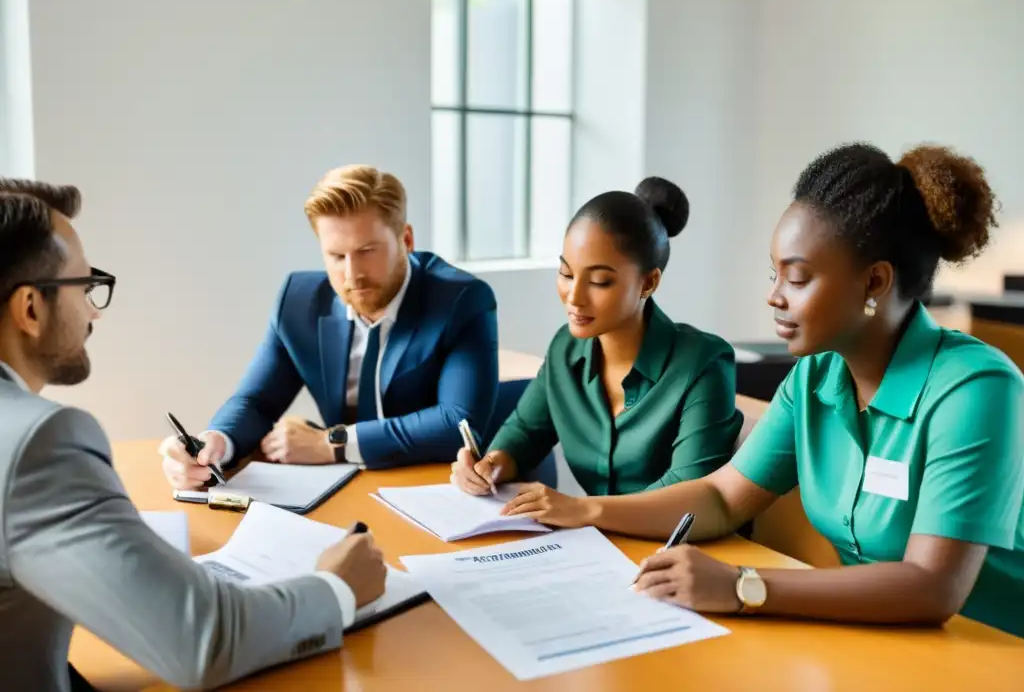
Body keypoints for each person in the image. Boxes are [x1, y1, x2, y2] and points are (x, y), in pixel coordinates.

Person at [493, 144, 1024, 638]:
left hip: (995, 652)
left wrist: (742, 584)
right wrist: (589, 511)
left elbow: (933, 586)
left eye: (796, 279)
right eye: (775, 275)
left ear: (875, 283)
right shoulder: (815, 378)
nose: (774, 297)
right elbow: (723, 496)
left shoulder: (976, 389)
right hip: (888, 642)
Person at [0, 179, 389, 691]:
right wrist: (335, 587)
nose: (94, 310)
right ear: (30, 308)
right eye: (85, 284)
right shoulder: (40, 443)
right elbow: (205, 641)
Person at [160, 165, 499, 489]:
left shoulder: (462, 300)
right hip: (343, 486)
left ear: (406, 240)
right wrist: (217, 442)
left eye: (367, 251)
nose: (352, 274)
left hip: (435, 485)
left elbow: (458, 424)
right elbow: (258, 401)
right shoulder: (297, 301)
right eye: (336, 256)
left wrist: (331, 442)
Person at [452, 177, 743, 498]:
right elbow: (524, 433)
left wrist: (581, 512)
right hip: (595, 541)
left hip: (678, 546)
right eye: (566, 273)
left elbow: (690, 493)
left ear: (648, 283)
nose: (574, 297)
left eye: (600, 281)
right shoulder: (565, 348)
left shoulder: (703, 363)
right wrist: (489, 465)